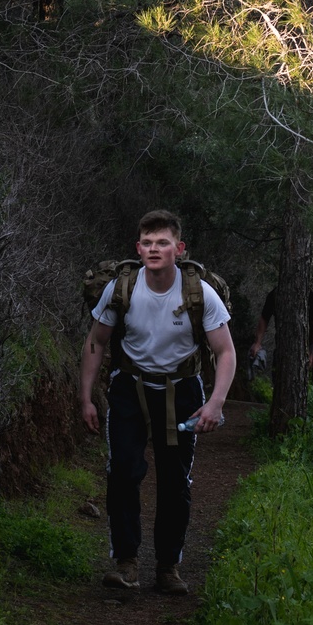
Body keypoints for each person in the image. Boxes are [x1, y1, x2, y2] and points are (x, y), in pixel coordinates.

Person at [80, 209, 237, 595]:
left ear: (178, 249)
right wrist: (84, 397)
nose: (154, 249)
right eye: (147, 243)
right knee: (123, 473)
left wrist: (215, 403)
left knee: (174, 482)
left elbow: (226, 351)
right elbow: (97, 342)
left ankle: (168, 567)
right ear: (138, 247)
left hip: (181, 391)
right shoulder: (122, 287)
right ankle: (127, 563)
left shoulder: (201, 293)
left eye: (162, 243)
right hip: (129, 388)